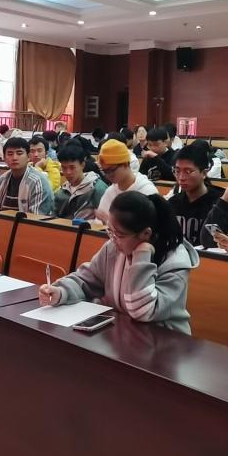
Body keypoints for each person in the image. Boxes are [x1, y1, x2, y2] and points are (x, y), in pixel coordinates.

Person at [39, 191, 199, 334]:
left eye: (119, 235)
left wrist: (142, 255)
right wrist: (61, 291)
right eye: (110, 231)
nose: (113, 240)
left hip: (165, 341)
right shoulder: (113, 248)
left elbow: (143, 310)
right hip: (124, 333)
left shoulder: (175, 262)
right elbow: (86, 280)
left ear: (146, 234)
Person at [168, 143, 224, 244]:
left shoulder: (219, 203)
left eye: (188, 171)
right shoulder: (173, 203)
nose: (181, 177)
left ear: (204, 173)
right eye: (177, 171)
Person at [96, 138, 158, 222]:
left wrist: (110, 221)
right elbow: (99, 223)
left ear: (125, 164)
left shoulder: (147, 191)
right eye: (105, 171)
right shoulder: (110, 192)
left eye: (112, 170)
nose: (108, 175)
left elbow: (147, 226)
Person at [0, 137, 54, 214]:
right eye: (10, 154)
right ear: (4, 158)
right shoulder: (2, 179)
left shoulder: (38, 182)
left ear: (28, 157)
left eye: (19, 153)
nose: (14, 158)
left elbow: (35, 217)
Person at [54, 142, 107, 220]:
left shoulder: (97, 188)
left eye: (72, 167)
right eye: (64, 168)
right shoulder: (61, 192)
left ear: (82, 165)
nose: (68, 172)